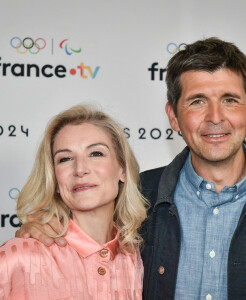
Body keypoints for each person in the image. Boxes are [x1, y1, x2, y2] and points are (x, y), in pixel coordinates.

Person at [16, 38, 246, 300]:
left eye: (229, 100)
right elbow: (80, 242)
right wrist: (39, 231)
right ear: (173, 117)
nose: (215, 117)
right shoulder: (134, 197)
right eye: (197, 101)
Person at [1, 105, 147, 300]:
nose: (80, 169)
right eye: (65, 158)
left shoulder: (136, 258)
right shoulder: (19, 256)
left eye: (96, 154)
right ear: (55, 180)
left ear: (122, 169)